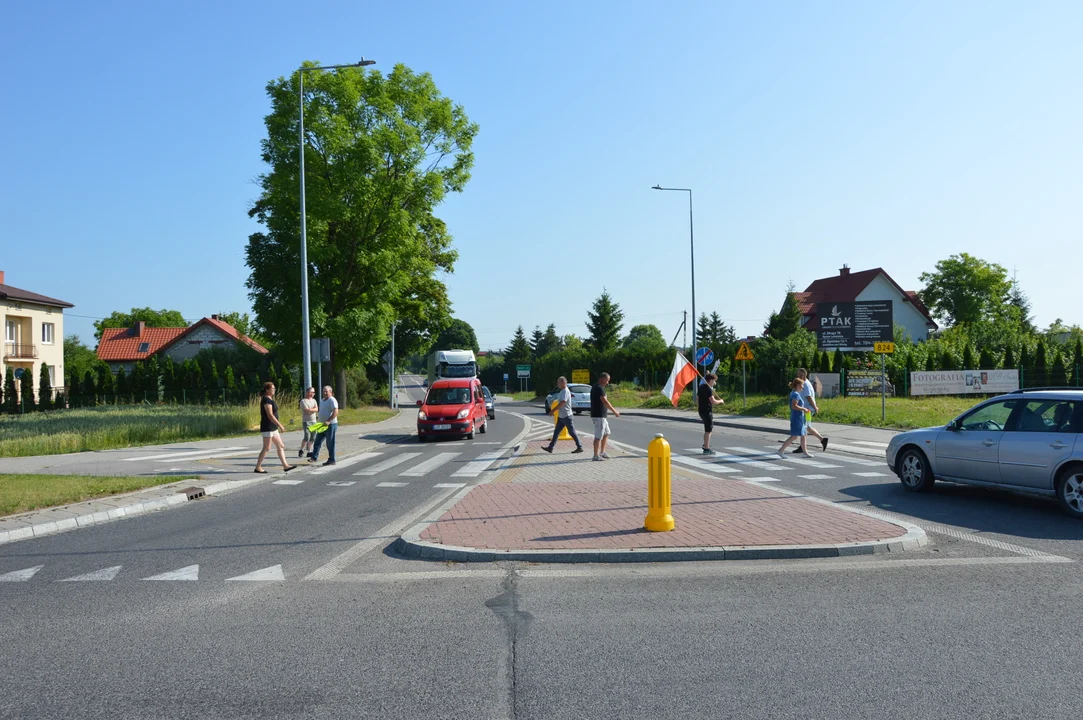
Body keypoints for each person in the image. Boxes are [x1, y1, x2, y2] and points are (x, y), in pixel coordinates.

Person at [254, 382, 295, 474]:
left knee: (280, 445)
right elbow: (270, 415)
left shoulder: (270, 399)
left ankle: (285, 465)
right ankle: (258, 467)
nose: (274, 390)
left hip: (273, 427)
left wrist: (277, 425)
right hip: (267, 426)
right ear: (267, 390)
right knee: (267, 448)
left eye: (274, 389)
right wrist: (280, 425)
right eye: (272, 389)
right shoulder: (266, 400)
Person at [542, 376, 584, 454]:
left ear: (563, 383)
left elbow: (562, 403)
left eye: (558, 382)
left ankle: (579, 447)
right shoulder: (562, 391)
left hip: (567, 416)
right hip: (562, 416)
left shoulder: (565, 391)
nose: (557, 383)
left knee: (572, 432)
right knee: (556, 432)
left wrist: (553, 411)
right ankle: (550, 447)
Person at [793, 368, 829, 452]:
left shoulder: (805, 384)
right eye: (798, 374)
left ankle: (802, 447)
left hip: (807, 409)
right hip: (807, 408)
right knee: (807, 427)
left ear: (804, 375)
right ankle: (822, 440)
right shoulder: (805, 382)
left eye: (800, 375)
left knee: (803, 427)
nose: (798, 376)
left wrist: (815, 407)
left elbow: (809, 397)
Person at [778, 378, 813, 458]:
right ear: (797, 385)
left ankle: (805, 452)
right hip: (797, 418)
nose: (803, 387)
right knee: (794, 436)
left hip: (799, 417)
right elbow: (794, 406)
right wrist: (803, 409)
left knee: (803, 434)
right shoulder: (796, 394)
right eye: (802, 385)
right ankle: (781, 450)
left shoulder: (794, 393)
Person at [590, 372, 621, 461]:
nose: (607, 383)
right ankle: (595, 456)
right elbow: (605, 402)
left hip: (601, 416)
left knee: (606, 433)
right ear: (602, 379)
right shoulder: (599, 388)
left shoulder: (596, 387)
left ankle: (602, 452)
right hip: (599, 416)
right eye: (607, 380)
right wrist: (615, 412)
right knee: (598, 436)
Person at [308, 385, 339, 466]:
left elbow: (336, 411)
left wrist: (329, 420)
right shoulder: (322, 400)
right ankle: (314, 457)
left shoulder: (332, 400)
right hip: (322, 424)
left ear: (331, 392)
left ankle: (332, 460)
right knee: (317, 441)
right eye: (323, 391)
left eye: (326, 391)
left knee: (330, 443)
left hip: (330, 425)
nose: (325, 393)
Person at [698, 373, 725, 455]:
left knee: (707, 429)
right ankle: (706, 449)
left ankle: (706, 444)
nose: (714, 383)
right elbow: (712, 401)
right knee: (708, 430)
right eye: (714, 381)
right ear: (711, 380)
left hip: (701, 410)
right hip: (707, 411)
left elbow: (697, 399)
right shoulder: (709, 389)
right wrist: (721, 401)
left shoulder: (701, 387)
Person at [298, 386, 318, 458]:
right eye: (312, 392)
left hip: (314, 421)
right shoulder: (303, 401)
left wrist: (312, 409)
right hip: (306, 421)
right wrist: (313, 410)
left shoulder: (314, 400)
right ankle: (301, 449)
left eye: (314, 392)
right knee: (307, 436)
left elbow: (316, 409)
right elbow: (307, 411)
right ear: (308, 392)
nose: (313, 393)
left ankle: (309, 451)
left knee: (313, 437)